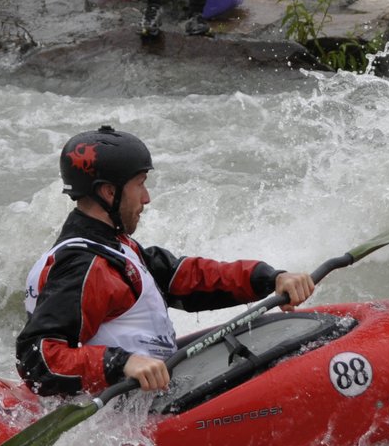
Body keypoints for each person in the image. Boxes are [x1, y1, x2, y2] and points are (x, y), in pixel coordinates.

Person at [17, 125, 314, 396]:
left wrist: (269, 278)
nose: (146, 198)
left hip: (151, 395)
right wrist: (120, 364)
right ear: (109, 192)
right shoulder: (84, 266)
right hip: (126, 411)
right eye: (140, 184)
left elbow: (186, 278)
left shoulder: (114, 247)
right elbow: (36, 357)